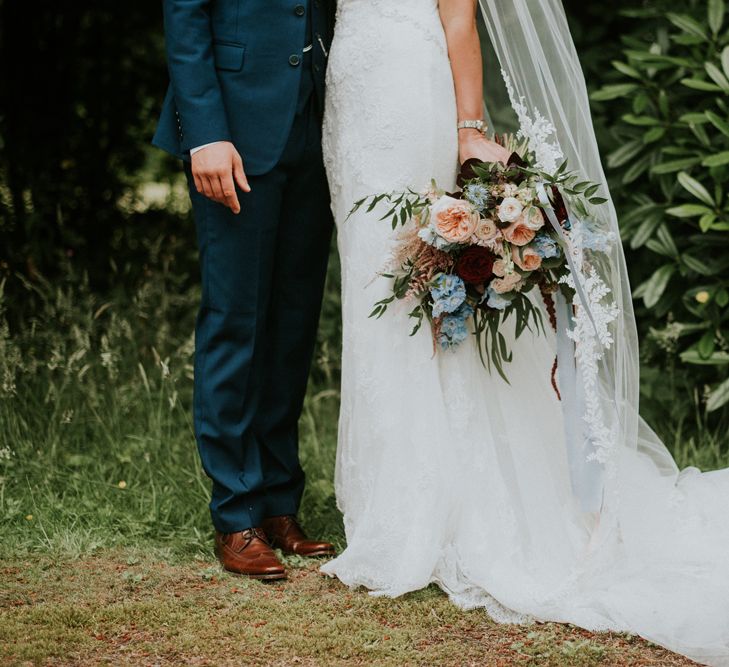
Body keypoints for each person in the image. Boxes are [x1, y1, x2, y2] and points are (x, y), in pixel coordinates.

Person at [320, 1, 729, 665]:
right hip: (351, 90)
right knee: (371, 282)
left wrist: (468, 127)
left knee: (405, 295)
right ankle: (386, 498)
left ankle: (433, 506)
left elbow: (458, 16)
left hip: (408, 85)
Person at [152, 0, 337, 581]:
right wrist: (204, 132)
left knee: (292, 326)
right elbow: (185, 16)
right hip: (232, 131)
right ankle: (236, 514)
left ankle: (280, 503)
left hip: (318, 128)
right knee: (237, 320)